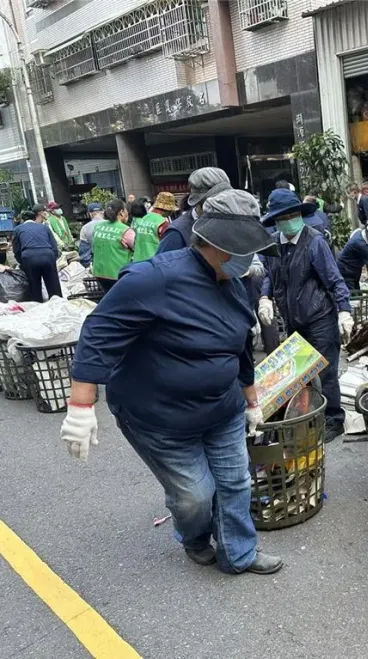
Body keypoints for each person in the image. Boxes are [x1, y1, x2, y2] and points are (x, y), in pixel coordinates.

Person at [60, 189, 282, 575]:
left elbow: (240, 348)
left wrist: (251, 400)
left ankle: (239, 554)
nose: (250, 259)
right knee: (195, 496)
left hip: (221, 408)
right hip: (160, 418)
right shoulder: (155, 279)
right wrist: (81, 406)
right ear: (218, 246)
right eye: (242, 249)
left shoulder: (233, 285)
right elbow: (98, 331)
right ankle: (194, 536)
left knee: (235, 483)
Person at [259, 191, 352, 443]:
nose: (290, 220)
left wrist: (344, 310)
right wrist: (264, 297)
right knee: (299, 373)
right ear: (276, 220)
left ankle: (334, 420)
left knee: (326, 372)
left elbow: (334, 279)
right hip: (292, 319)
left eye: (294, 214)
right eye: (284, 217)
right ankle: (309, 415)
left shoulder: (314, 241)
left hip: (319, 316)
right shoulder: (272, 245)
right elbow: (269, 274)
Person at [156, 167, 232, 254]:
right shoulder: (177, 233)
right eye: (214, 202)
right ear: (198, 202)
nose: (220, 207)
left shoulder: (228, 222)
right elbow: (162, 264)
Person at [13, 205, 60, 301]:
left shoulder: (17, 229)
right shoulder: (44, 227)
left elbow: (16, 250)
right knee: (54, 287)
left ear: (22, 220)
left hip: (29, 257)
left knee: (34, 287)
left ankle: (38, 306)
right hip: (48, 255)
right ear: (35, 218)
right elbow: (54, 246)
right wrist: (53, 260)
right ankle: (59, 306)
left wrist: (22, 262)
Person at [91, 199, 134, 292]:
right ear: (121, 212)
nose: (128, 213)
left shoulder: (98, 226)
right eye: (126, 211)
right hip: (118, 273)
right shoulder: (125, 230)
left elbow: (94, 246)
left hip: (99, 272)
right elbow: (139, 249)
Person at [131, 191, 176, 262]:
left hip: (138, 262)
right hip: (154, 263)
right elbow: (169, 247)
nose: (171, 213)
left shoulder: (143, 219)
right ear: (166, 209)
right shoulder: (163, 223)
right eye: (171, 210)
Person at [78, 202, 106, 268]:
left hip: (97, 265)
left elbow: (84, 254)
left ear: (90, 214)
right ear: (102, 211)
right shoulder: (112, 225)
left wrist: (87, 267)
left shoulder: (85, 228)